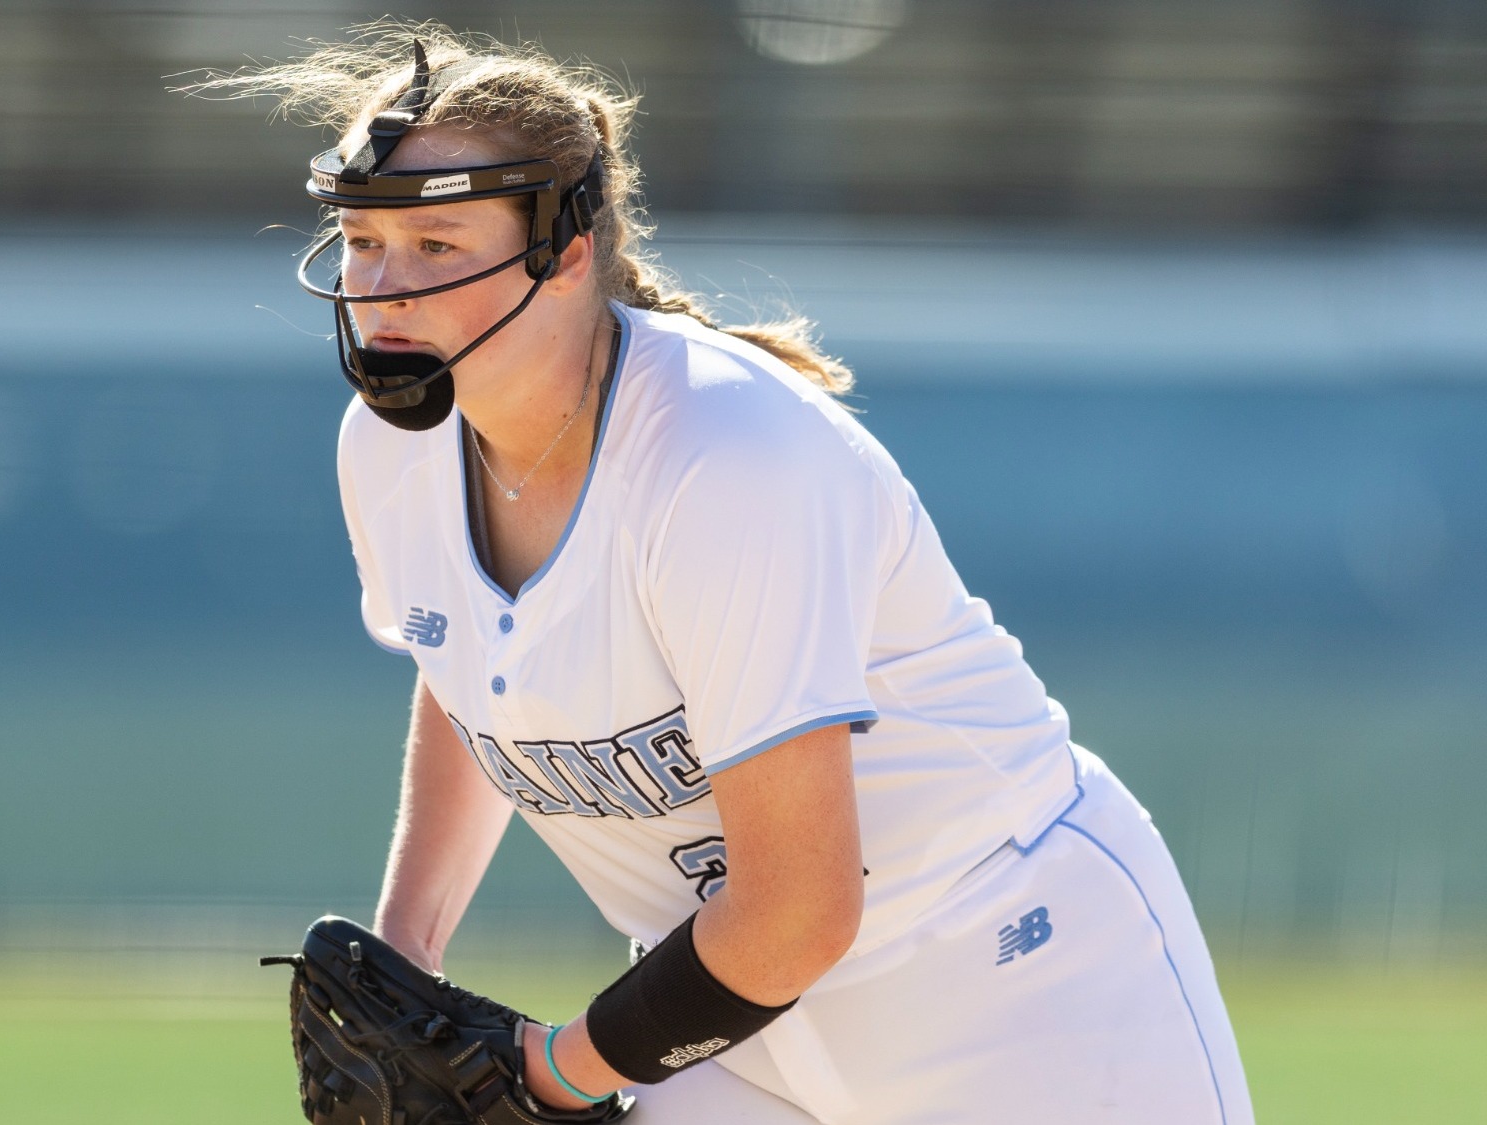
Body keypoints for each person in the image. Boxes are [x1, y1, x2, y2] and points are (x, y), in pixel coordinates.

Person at [203, 24, 1252, 1124]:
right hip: (718, 1023)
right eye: (364, 241)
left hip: (1009, 976)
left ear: (564, 253)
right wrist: (404, 964)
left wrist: (539, 1074)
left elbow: (797, 914)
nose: (381, 287)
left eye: (436, 245)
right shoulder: (393, 446)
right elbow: (466, 664)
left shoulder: (723, 454)